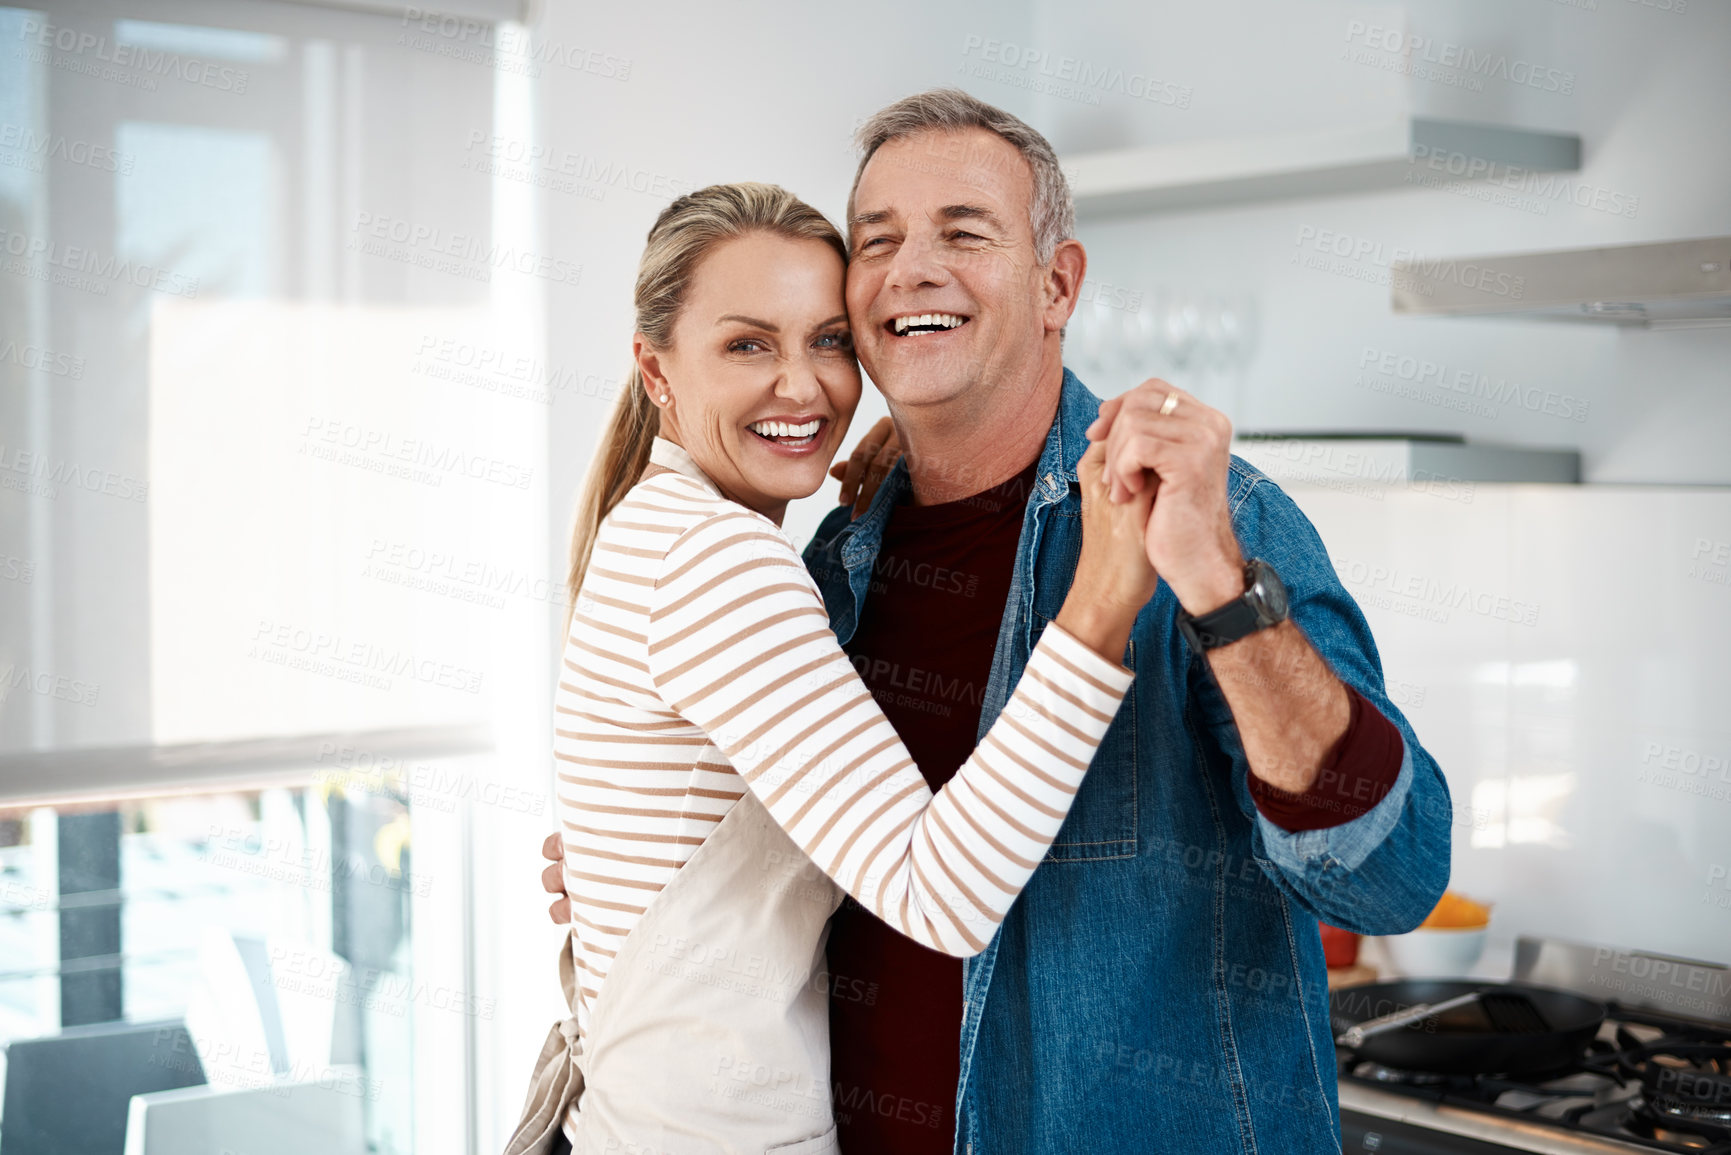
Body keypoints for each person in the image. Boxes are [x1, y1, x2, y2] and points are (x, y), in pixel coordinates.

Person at [543, 90, 1453, 1154]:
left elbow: (1394, 878)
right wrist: (655, 869)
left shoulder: (1203, 522)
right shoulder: (840, 558)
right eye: (877, 243)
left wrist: (1221, 596)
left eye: (964, 233)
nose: (913, 268)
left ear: (1057, 283)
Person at [507, 181, 1160, 1155]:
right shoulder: (718, 558)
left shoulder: (659, 526)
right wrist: (1105, 598)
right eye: (748, 345)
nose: (805, 388)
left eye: (827, 342)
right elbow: (940, 893)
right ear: (656, 370)